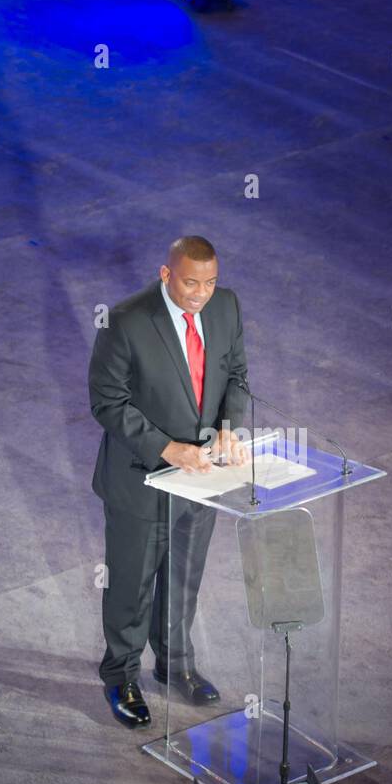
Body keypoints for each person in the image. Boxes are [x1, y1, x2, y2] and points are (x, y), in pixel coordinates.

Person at [88, 236, 250, 729]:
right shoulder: (126, 321)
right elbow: (107, 402)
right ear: (165, 274)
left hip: (201, 477)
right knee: (131, 588)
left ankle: (175, 666)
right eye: (189, 282)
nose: (200, 293)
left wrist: (228, 425)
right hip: (142, 480)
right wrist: (165, 447)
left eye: (209, 282)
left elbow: (235, 374)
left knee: (183, 578)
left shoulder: (226, 307)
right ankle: (121, 676)